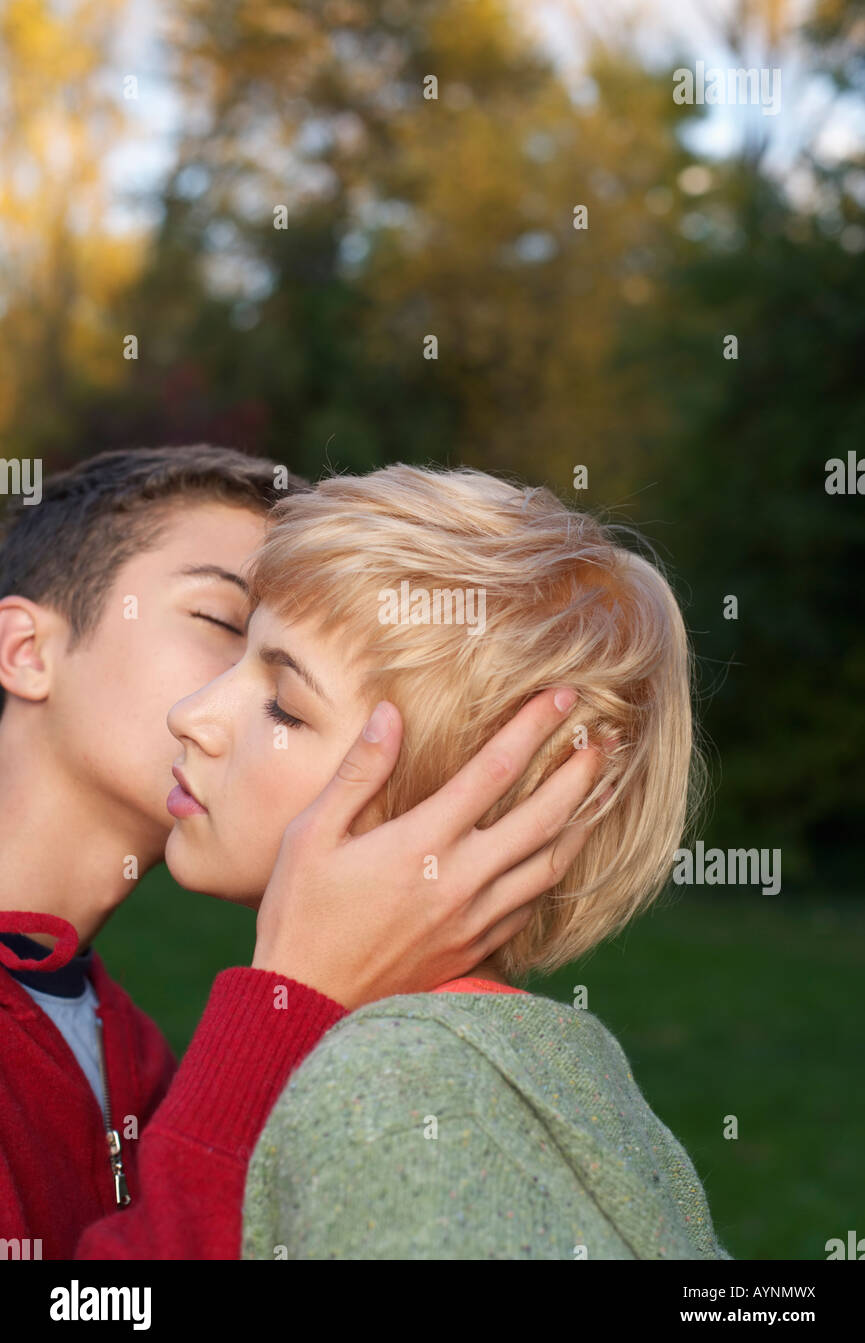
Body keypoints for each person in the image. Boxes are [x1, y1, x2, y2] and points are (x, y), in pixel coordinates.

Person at [0, 446, 600, 1261]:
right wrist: (290, 1002)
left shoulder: (129, 1048)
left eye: (283, 682)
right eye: (225, 625)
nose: (216, 703)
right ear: (26, 651)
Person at [159, 463, 731, 1260]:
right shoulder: (578, 1086)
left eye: (285, 705)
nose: (189, 715)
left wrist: (280, 1010)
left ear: (449, 812)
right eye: (237, 656)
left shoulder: (388, 1099)